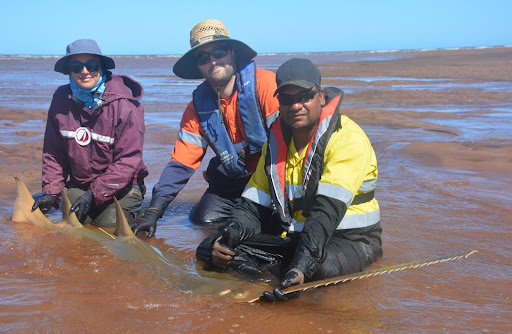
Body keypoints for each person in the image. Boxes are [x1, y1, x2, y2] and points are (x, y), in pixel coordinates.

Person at [196, 58, 383, 302]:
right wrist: (230, 235)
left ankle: (287, 276)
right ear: (279, 103)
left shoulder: (348, 139)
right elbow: (252, 205)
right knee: (210, 248)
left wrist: (302, 267)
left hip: (351, 239)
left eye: (305, 96)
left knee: (318, 269)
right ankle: (266, 284)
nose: (295, 105)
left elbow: (326, 213)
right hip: (297, 235)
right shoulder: (274, 143)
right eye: (286, 99)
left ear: (321, 96)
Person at [130, 19, 279, 237]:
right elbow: (181, 162)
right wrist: (154, 211)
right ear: (198, 66)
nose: (213, 62)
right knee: (201, 221)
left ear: (233, 54)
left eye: (219, 53)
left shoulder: (267, 86)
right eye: (203, 58)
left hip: (273, 178)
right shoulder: (197, 108)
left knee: (269, 227)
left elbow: (295, 144)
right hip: (232, 182)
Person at [32, 39, 148, 227]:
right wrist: (51, 193)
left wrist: (93, 195)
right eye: (76, 67)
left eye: (92, 66)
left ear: (101, 68)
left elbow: (127, 161)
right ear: (69, 71)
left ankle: (135, 210)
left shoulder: (124, 104)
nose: (85, 72)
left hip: (122, 187)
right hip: (81, 185)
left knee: (110, 226)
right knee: (75, 222)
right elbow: (53, 153)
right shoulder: (60, 99)